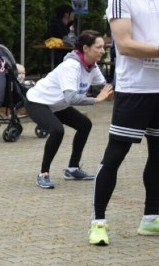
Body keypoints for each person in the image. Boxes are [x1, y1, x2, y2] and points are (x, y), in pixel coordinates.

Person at [90, 0, 159, 246]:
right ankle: (98, 222)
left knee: (157, 156)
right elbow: (125, 45)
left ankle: (151, 218)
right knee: (115, 155)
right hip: (134, 90)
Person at [26, 30, 113, 190]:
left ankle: (72, 169)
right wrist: (96, 99)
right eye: (99, 47)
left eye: (103, 47)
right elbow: (71, 98)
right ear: (86, 48)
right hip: (37, 101)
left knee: (85, 125)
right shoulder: (71, 66)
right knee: (57, 130)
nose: (103, 50)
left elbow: (105, 87)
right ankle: (43, 174)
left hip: (58, 104)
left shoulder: (92, 66)